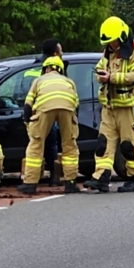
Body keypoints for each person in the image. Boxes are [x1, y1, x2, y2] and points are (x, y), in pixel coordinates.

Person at [83, 16, 134, 193]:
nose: (110, 45)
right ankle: (101, 177)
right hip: (109, 107)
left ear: (121, 36)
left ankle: (133, 178)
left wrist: (112, 78)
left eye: (112, 41)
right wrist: (101, 75)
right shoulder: (108, 52)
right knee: (104, 143)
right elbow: (99, 69)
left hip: (128, 108)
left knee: (130, 144)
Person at [18, 56, 80, 195]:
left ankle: (30, 184)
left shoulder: (39, 80)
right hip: (68, 109)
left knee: (36, 145)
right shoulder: (69, 81)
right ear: (61, 70)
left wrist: (29, 123)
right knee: (69, 146)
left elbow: (28, 105)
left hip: (45, 109)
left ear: (46, 68)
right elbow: (77, 105)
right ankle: (70, 183)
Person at [40, 38, 63, 182]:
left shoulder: (37, 64)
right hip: (48, 110)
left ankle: (33, 179)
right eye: (61, 51)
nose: (63, 53)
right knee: (51, 143)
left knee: (37, 145)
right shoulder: (53, 68)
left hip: (40, 110)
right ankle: (55, 176)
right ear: (55, 53)